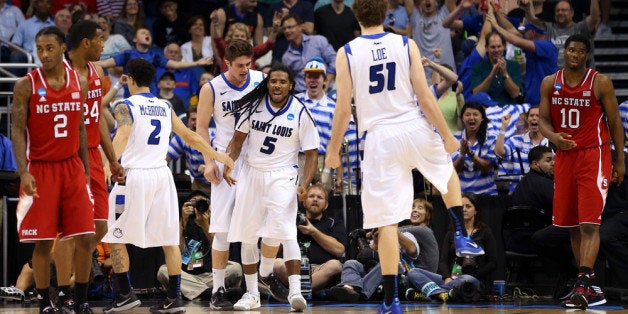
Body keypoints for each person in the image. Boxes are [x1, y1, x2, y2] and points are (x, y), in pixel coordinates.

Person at [324, 0, 484, 311]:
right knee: (446, 174)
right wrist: (449, 136)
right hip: (414, 125)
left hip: (380, 138)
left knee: (385, 224)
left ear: (356, 17)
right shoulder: (405, 43)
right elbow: (425, 96)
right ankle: (462, 235)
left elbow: (343, 110)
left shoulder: (347, 52)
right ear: (385, 14)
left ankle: (391, 300)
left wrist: (333, 153)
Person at [102, 58, 234, 314]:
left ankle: (125, 294)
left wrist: (110, 165)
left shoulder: (123, 105)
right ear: (151, 80)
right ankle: (175, 299)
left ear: (128, 79)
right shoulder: (164, 105)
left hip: (134, 176)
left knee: (115, 237)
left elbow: (123, 135)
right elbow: (189, 135)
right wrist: (218, 155)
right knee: (169, 240)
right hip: (162, 177)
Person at [11, 26, 95, 314]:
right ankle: (46, 301)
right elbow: (17, 130)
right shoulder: (26, 85)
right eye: (39, 49)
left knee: (85, 236)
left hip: (71, 167)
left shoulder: (79, 81)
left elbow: (81, 127)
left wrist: (85, 168)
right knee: (44, 242)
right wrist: (23, 171)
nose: (43, 54)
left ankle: (81, 301)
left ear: (62, 48)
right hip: (41, 168)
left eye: (49, 48)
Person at [223, 63, 320, 311]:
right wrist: (228, 163)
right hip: (252, 172)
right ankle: (252, 294)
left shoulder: (300, 112)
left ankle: (296, 292)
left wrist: (305, 184)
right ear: (267, 84)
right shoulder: (253, 107)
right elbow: (237, 141)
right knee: (247, 236)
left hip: (283, 174)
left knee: (285, 232)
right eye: (273, 81)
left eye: (282, 81)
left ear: (290, 85)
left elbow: (311, 153)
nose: (277, 85)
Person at [538, 34, 625, 309]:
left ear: (586, 55)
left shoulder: (600, 82)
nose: (574, 54)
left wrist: (619, 161)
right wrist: (553, 137)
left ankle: (583, 283)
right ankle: (589, 287)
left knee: (589, 224)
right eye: (570, 50)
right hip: (565, 157)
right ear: (564, 52)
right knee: (572, 226)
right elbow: (541, 119)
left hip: (594, 155)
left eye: (580, 51)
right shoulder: (550, 82)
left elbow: (614, 122)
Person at [52, 19, 125, 312]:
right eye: (100, 39)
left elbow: (98, 124)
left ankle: (74, 289)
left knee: (99, 227)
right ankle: (63, 293)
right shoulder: (60, 75)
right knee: (71, 230)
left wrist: (113, 159)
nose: (103, 44)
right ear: (85, 42)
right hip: (70, 157)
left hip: (94, 155)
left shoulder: (96, 71)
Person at [195, 39, 266, 311]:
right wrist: (209, 161)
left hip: (256, 162)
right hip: (225, 163)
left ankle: (253, 291)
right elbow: (201, 128)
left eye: (248, 64)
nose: (245, 70)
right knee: (222, 230)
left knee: (253, 231)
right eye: (239, 66)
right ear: (227, 63)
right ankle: (218, 290)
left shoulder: (261, 79)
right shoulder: (211, 88)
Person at [329, 201, 440, 303]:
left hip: (412, 276)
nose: (414, 210)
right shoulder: (385, 233)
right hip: (380, 273)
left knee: (389, 264)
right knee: (351, 263)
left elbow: (412, 250)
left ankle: (361, 293)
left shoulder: (416, 232)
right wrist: (375, 240)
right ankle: (348, 289)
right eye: (412, 207)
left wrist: (377, 231)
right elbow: (368, 256)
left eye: (420, 208)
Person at [156, 190, 243, 301]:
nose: (197, 206)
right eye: (194, 203)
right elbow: (176, 251)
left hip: (212, 275)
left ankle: (194, 291)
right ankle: (209, 293)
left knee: (236, 268)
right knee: (164, 270)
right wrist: (183, 220)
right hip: (187, 274)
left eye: (202, 202)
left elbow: (222, 250)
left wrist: (205, 225)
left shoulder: (216, 222)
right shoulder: (182, 223)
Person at [272, 184, 346, 295]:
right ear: (304, 202)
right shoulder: (291, 221)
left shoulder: (333, 223)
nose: (315, 199)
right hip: (293, 270)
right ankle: (305, 291)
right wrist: (287, 230)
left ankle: (298, 292)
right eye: (311, 196)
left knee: (335, 265)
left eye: (320, 197)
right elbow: (273, 251)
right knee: (276, 263)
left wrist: (313, 231)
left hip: (320, 270)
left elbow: (339, 251)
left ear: (326, 205)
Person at [486, 5, 557, 106]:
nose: (523, 35)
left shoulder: (547, 46)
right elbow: (511, 30)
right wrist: (497, 13)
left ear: (532, 33)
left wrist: (496, 26)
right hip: (533, 99)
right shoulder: (533, 44)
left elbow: (515, 40)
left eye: (525, 32)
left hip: (544, 101)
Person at [438, 193, 498, 295]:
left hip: (475, 279)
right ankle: (445, 291)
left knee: (466, 279)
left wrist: (475, 274)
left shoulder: (485, 232)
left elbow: (493, 263)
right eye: (461, 207)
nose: (464, 209)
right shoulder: (451, 233)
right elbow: (443, 261)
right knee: (415, 273)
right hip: (452, 279)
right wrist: (447, 278)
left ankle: (439, 291)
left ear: (476, 211)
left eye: (468, 206)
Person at [526, 0, 600, 69]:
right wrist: (527, 6)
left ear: (572, 12)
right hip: (554, 76)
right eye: (557, 11)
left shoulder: (580, 28)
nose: (560, 13)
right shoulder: (549, 28)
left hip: (577, 75)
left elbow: (594, 17)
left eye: (564, 10)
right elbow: (533, 19)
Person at [494, 106, 549, 192]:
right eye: (531, 115)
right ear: (527, 120)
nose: (534, 118)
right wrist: (503, 127)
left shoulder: (549, 143)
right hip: (518, 192)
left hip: (541, 193)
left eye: (538, 116)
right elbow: (499, 151)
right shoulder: (516, 140)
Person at [281, 14, 336, 94]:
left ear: (301, 27)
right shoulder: (286, 57)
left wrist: (327, 80)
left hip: (325, 91)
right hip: (300, 94)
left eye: (290, 27)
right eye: (284, 29)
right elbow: (289, 80)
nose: (286, 31)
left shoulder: (319, 41)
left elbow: (334, 60)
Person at [452, 102, 498, 195]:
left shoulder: (492, 138)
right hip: (462, 195)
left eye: (475, 114)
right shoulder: (454, 139)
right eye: (467, 115)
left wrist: (470, 154)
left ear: (482, 118)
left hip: (487, 194)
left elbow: (487, 167)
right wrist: (462, 155)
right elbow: (453, 171)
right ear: (462, 119)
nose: (471, 118)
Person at [166, 106, 212, 196]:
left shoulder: (214, 136)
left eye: (200, 119)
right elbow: (165, 158)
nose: (196, 123)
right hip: (198, 184)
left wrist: (209, 166)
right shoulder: (182, 137)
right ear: (188, 122)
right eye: (193, 119)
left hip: (218, 182)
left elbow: (226, 162)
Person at [471, 32, 522, 106]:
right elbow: (476, 94)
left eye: (499, 46)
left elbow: (515, 94)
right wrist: (491, 75)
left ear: (504, 46)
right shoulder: (478, 67)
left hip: (509, 111)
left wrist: (504, 73)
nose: (496, 50)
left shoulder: (514, 66)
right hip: (487, 110)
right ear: (486, 48)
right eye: (493, 47)